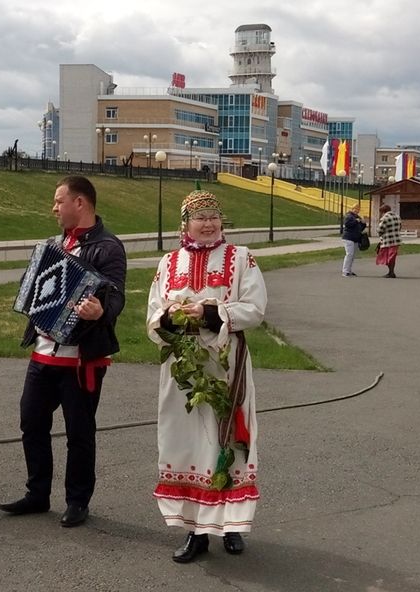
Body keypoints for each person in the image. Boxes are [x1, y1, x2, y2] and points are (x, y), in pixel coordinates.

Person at [146, 189, 267, 563]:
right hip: (181, 367)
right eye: (200, 218)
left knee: (226, 437)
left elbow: (255, 308)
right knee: (183, 440)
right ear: (185, 224)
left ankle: (231, 526)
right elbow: (153, 311)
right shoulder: (168, 262)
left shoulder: (242, 259)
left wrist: (212, 313)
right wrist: (171, 318)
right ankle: (195, 531)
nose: (209, 224)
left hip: (224, 360)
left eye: (214, 216)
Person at [0, 175, 126, 527]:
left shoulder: (108, 247)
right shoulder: (53, 244)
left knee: (79, 432)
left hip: (82, 358)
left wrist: (101, 310)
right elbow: (35, 284)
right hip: (43, 353)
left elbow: (115, 295)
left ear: (79, 203)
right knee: (31, 422)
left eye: (59, 201)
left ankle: (77, 501)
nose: (54, 208)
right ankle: (37, 494)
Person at [375, 204, 402, 278]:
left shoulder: (385, 218)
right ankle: (391, 272)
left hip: (387, 240)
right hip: (396, 240)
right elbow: (400, 227)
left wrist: (379, 233)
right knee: (392, 256)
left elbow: (380, 230)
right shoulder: (397, 216)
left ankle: (391, 273)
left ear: (383, 211)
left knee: (386, 257)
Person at [341, 204, 366, 277]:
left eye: (358, 209)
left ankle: (349, 270)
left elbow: (360, 227)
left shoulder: (357, 217)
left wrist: (363, 223)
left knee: (353, 255)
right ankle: (345, 271)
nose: (357, 211)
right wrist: (356, 221)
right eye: (355, 209)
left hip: (355, 238)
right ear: (352, 209)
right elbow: (347, 224)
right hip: (348, 238)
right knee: (349, 254)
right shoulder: (349, 216)